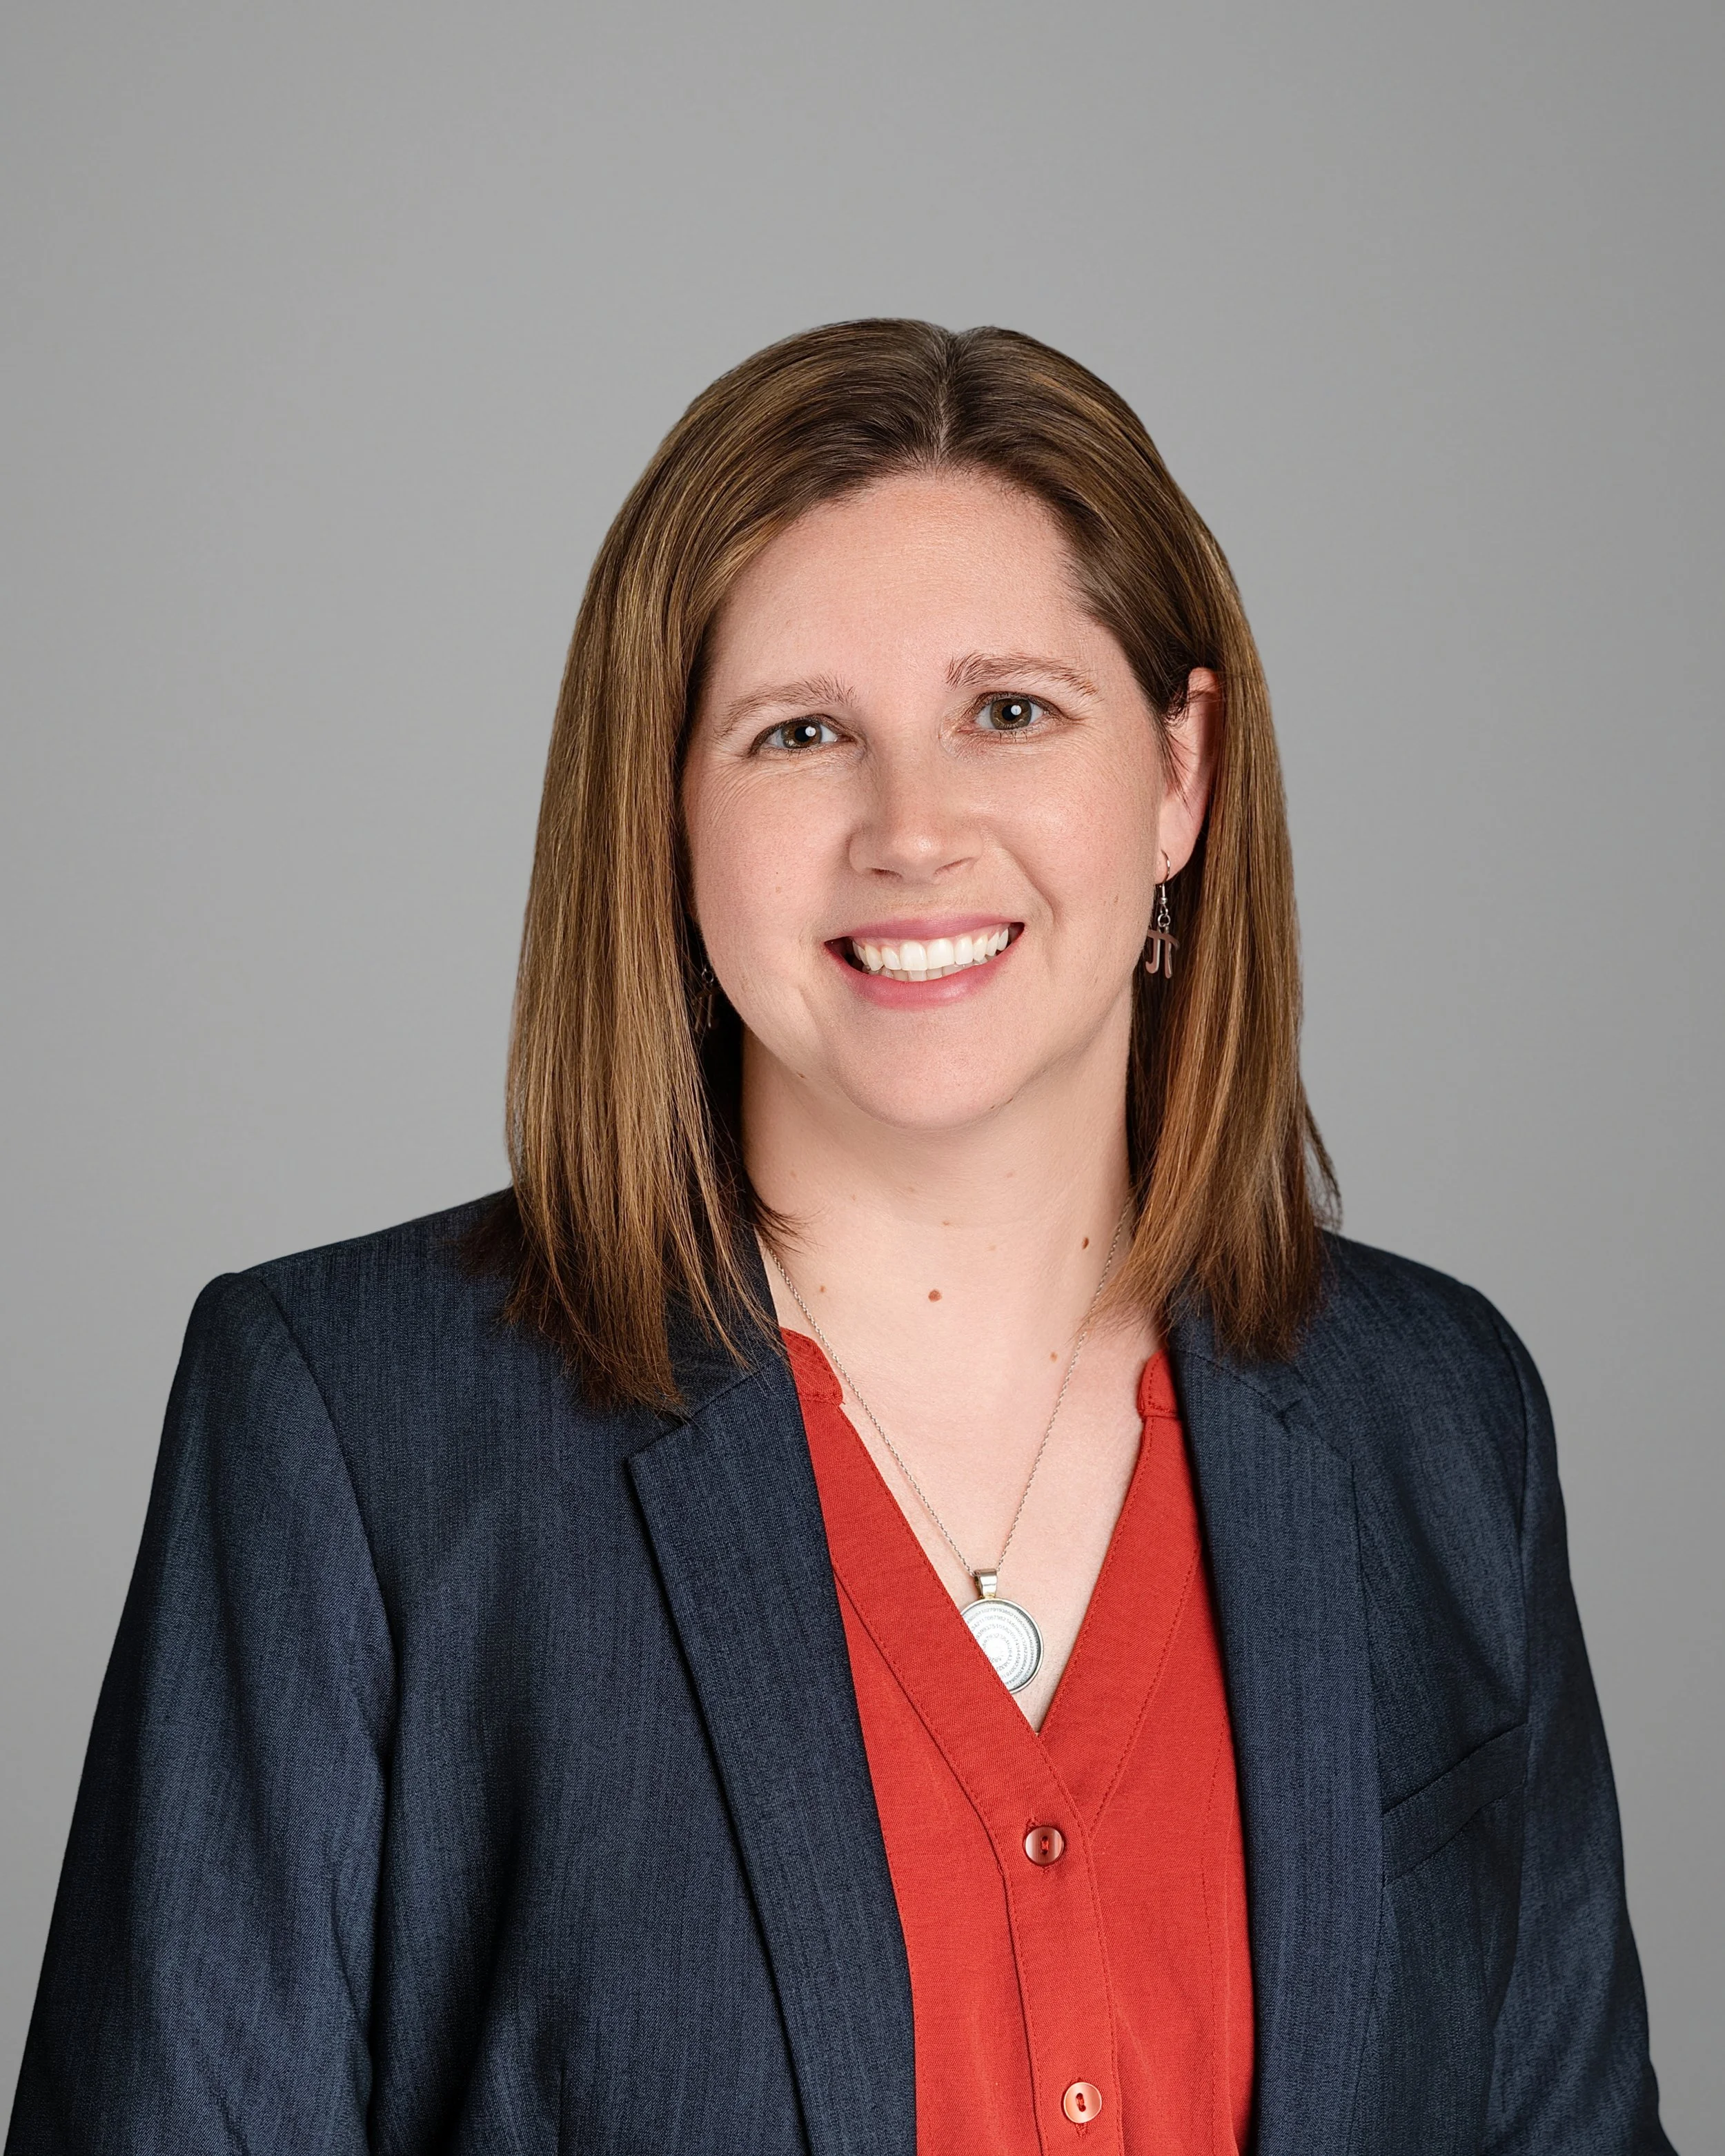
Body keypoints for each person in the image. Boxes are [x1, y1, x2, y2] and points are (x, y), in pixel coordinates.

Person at [7, 320, 1672, 2156]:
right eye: (800, 733)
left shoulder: (1437, 1421)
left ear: (1180, 774)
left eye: (1010, 710)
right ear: (666, 809)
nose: (912, 829)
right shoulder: (357, 1428)